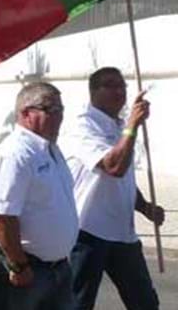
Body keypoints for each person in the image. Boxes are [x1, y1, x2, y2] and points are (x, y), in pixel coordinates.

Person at [59, 67, 163, 309]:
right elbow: (113, 166)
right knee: (78, 303)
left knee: (145, 303)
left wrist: (144, 207)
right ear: (93, 91)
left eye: (122, 86)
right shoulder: (82, 127)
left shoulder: (119, 126)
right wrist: (132, 126)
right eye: (110, 85)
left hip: (122, 234)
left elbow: (123, 179)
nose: (119, 91)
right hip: (88, 232)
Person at [0, 82, 79, 310]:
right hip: (25, 266)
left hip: (56, 267)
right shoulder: (14, 154)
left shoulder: (50, 149)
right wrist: (19, 266)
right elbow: (3, 217)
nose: (59, 117)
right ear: (26, 113)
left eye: (61, 110)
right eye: (51, 110)